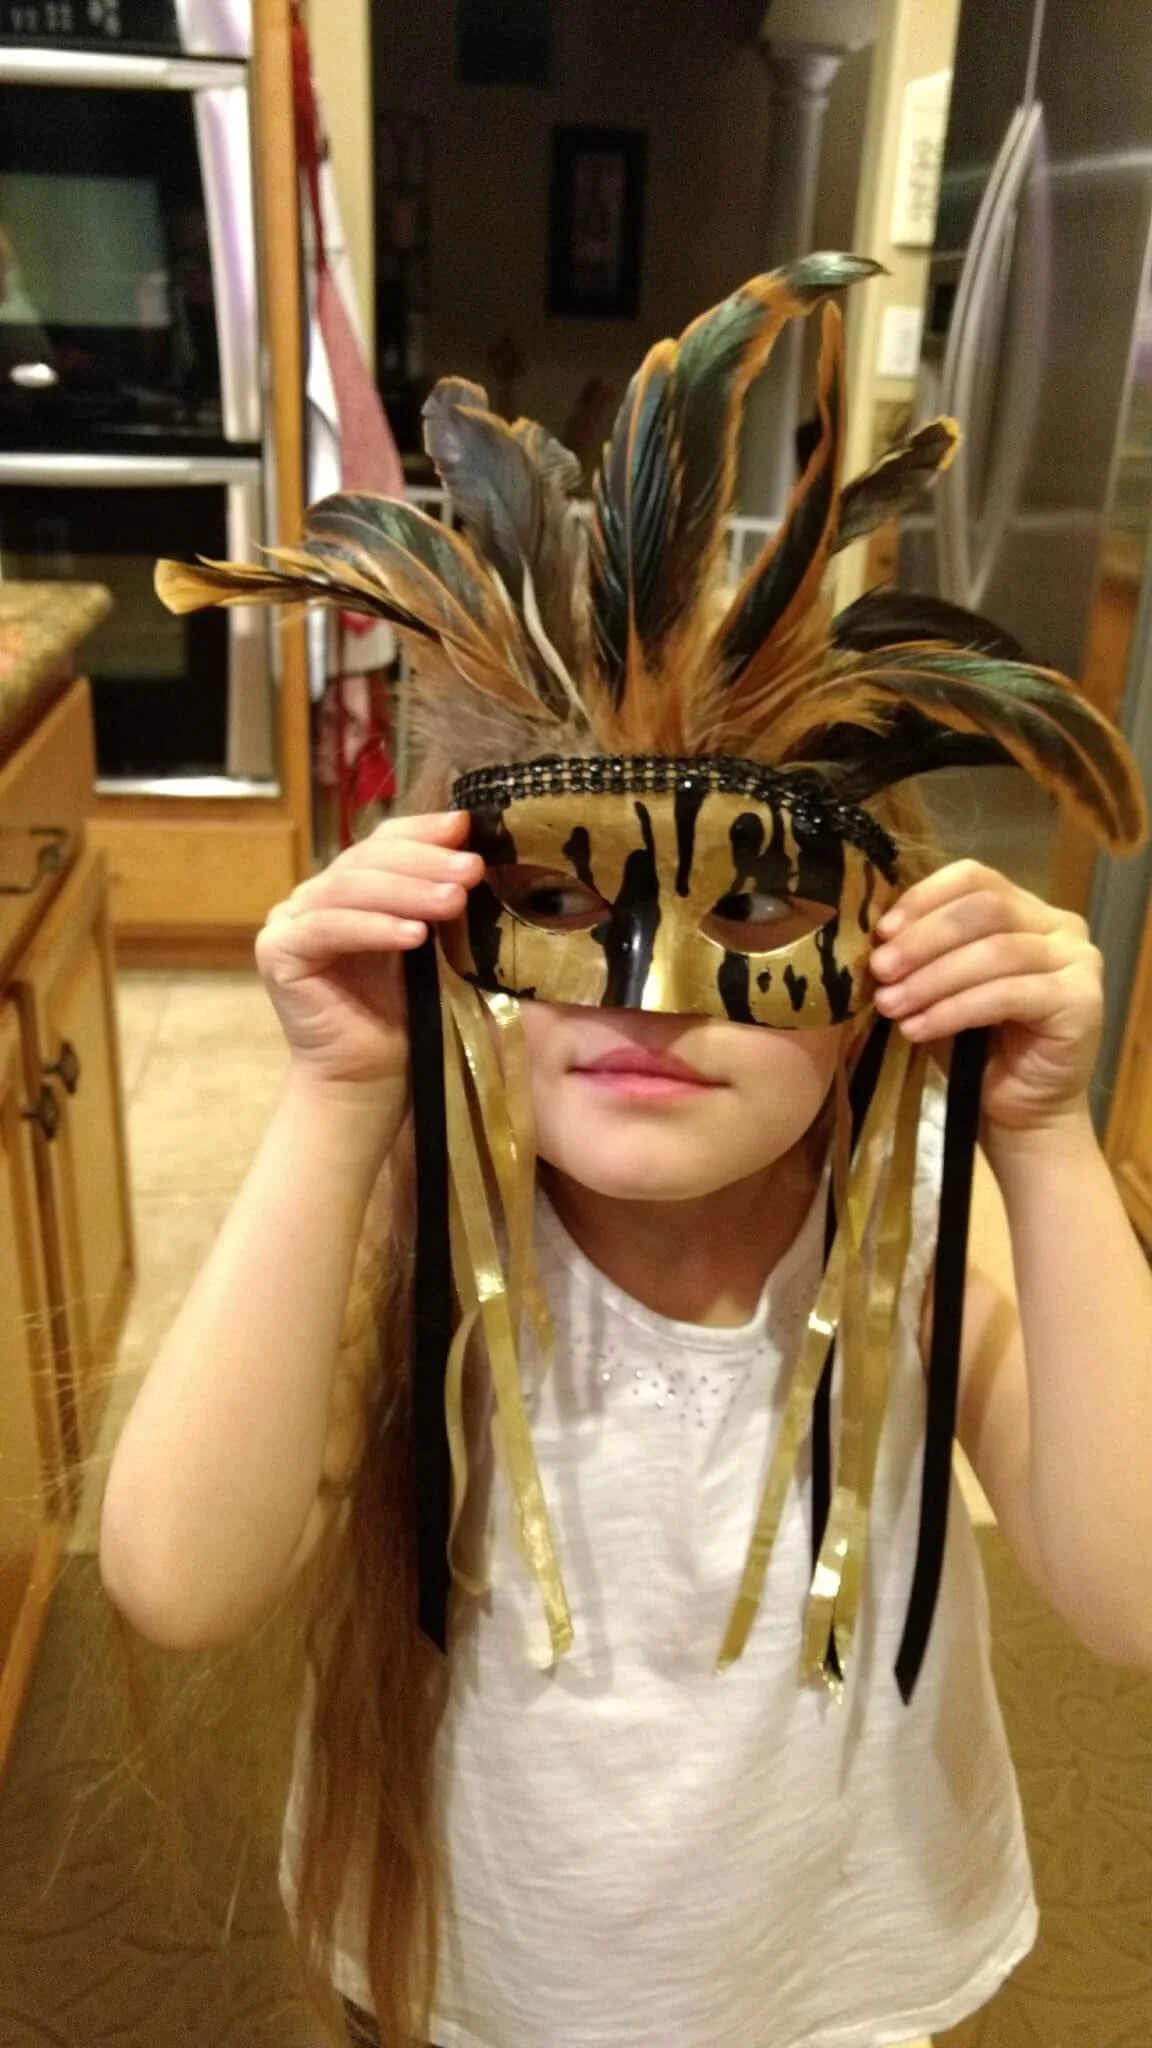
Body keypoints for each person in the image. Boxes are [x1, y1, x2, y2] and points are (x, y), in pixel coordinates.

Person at [102, 254, 1152, 2048]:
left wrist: (1044, 1149)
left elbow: (1132, 1603)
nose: (656, 994)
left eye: (757, 909)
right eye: (555, 907)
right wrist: (340, 1101)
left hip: (836, 1979)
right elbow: (178, 1581)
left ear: (880, 976)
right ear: (457, 935)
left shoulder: (913, 1241)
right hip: (482, 1975)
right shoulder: (434, 1233)